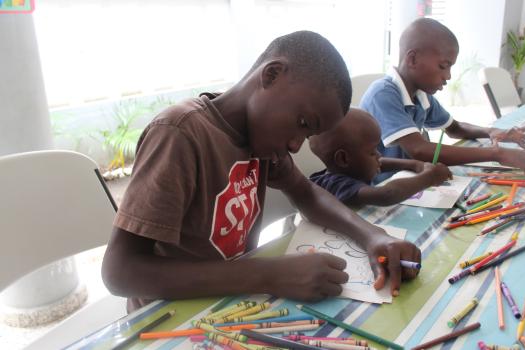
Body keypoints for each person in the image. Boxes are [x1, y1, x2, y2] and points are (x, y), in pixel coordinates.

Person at [102, 31, 420, 313]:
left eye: (308, 135)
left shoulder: (261, 141)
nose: (297, 145)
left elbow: (307, 194)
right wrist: (268, 274)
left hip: (231, 304)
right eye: (303, 124)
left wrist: (374, 236)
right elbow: (120, 272)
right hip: (169, 317)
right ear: (271, 75)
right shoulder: (180, 135)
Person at [359, 18, 525, 184]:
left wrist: (491, 131)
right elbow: (419, 149)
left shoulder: (421, 95)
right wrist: (496, 153)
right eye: (443, 66)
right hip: (380, 187)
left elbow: (455, 128)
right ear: (413, 59)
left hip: (411, 181)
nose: (448, 76)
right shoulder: (383, 95)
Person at [309, 107, 452, 207]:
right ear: (343, 159)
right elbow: (386, 195)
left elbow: (380, 162)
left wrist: (415, 164)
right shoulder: (335, 184)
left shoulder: (349, 168)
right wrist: (429, 178)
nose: (379, 155)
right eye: (372, 152)